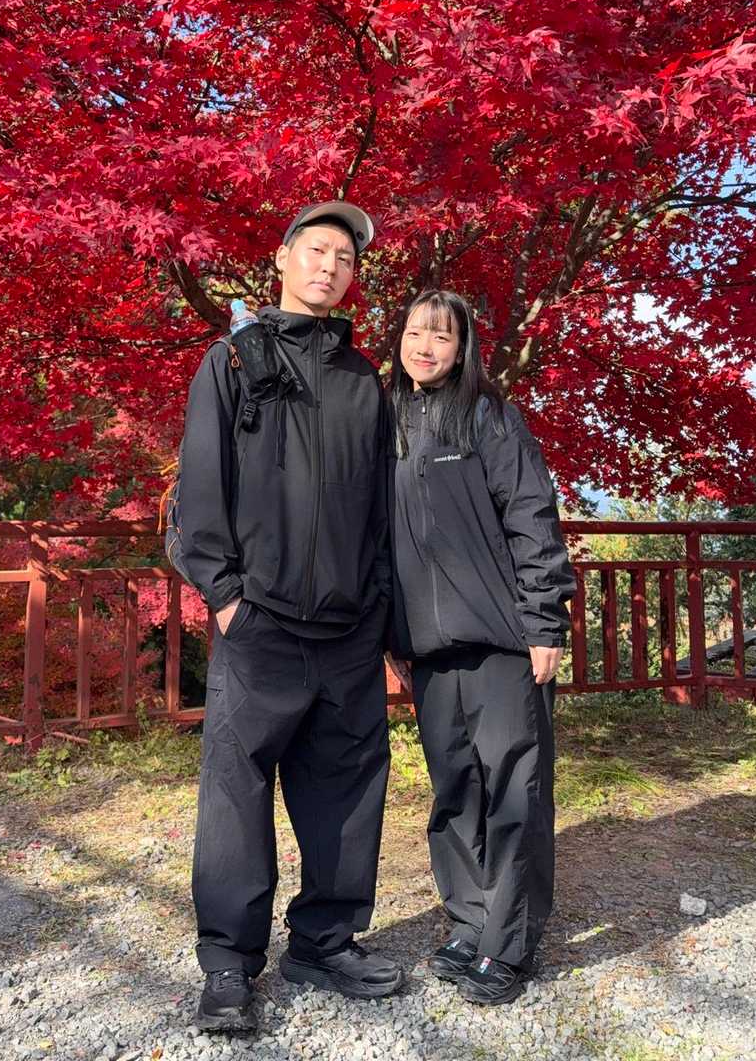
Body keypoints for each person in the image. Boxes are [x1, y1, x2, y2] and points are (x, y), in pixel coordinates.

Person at [176, 201, 403, 1033]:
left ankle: (325, 941)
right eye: (316, 250)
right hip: (259, 623)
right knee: (236, 793)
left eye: (345, 258)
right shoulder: (233, 361)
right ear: (282, 259)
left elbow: (381, 508)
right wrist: (226, 597)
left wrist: (378, 608)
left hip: (348, 628)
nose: (329, 267)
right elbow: (201, 489)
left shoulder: (364, 381)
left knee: (347, 788)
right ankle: (228, 964)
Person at [386, 289, 576, 1006]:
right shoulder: (387, 421)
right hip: (429, 648)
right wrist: (391, 631)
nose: (425, 347)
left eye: (442, 336)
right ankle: (468, 923)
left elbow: (532, 514)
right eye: (415, 333)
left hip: (503, 640)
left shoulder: (490, 416)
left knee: (515, 788)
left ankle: (510, 942)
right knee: (455, 792)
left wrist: (544, 622)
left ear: (463, 348)